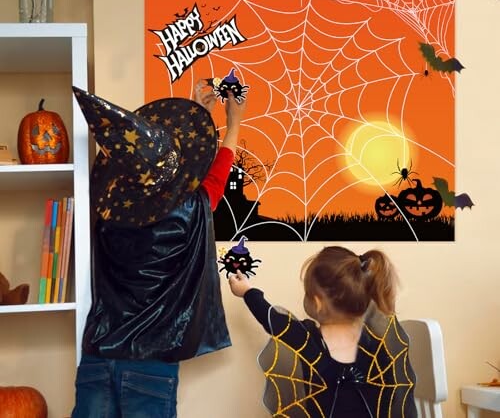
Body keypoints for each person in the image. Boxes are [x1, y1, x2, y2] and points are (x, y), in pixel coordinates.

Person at [71, 84, 245, 418]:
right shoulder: (188, 211)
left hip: (96, 354)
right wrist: (232, 124)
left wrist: (197, 116)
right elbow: (214, 182)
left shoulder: (104, 213)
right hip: (150, 365)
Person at [228, 246, 418, 418]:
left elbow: (272, 320)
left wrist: (247, 291)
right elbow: (390, 400)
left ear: (317, 302)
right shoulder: (376, 344)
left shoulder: (306, 338)